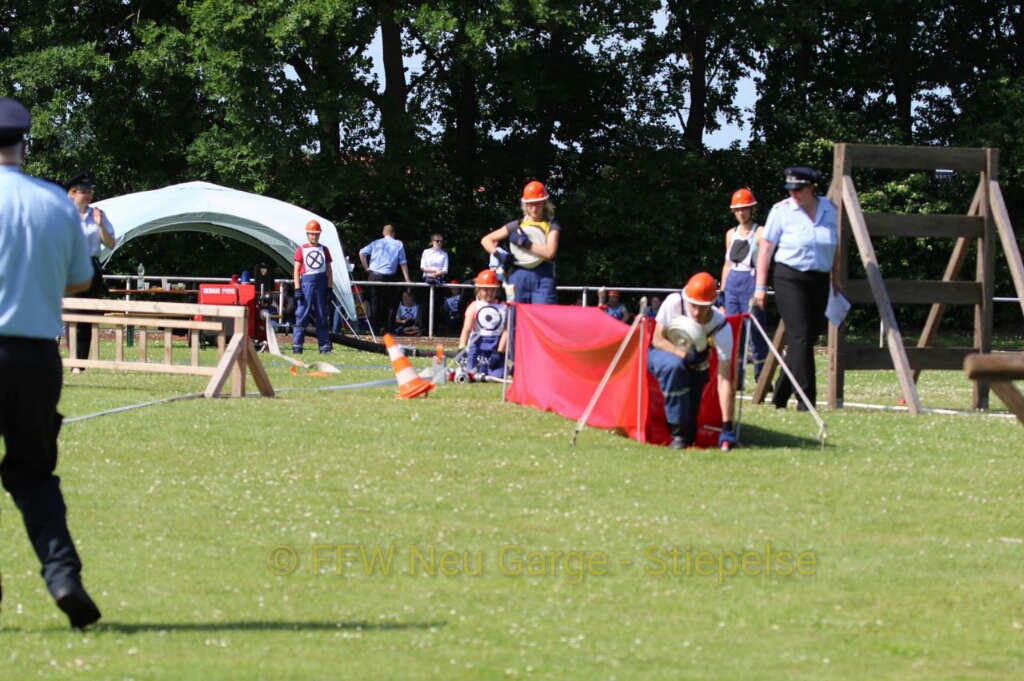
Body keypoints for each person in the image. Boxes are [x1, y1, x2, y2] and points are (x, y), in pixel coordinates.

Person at [0, 96, 102, 629]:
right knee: (35, 473)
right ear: (22, 143)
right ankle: (63, 576)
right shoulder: (55, 202)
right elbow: (80, 279)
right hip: (37, 355)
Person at [754, 166, 840, 410]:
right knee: (800, 335)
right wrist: (760, 286)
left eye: (798, 189)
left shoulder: (829, 209)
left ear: (812, 188)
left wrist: (835, 277)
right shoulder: (781, 211)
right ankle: (806, 401)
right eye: (790, 189)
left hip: (819, 279)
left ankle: (780, 395)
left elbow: (835, 245)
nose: (794, 193)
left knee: (807, 338)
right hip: (789, 278)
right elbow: (766, 249)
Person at [648, 272, 736, 450]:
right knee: (676, 366)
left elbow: (725, 378)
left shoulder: (720, 327)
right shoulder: (675, 303)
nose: (696, 312)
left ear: (713, 303)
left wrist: (728, 427)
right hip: (660, 353)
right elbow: (657, 339)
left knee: (695, 377)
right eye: (693, 305)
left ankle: (687, 434)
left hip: (696, 366)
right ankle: (677, 433)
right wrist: (682, 354)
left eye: (703, 307)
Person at [64, 170, 115, 374]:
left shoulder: (98, 214)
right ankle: (73, 360)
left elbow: (110, 243)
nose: (89, 194)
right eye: (84, 191)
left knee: (87, 314)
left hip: (92, 266)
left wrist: (101, 225)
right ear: (73, 193)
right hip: (69, 267)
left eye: (91, 191)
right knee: (71, 314)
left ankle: (80, 364)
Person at [481, 180, 560, 304]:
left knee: (542, 317)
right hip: (518, 275)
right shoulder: (517, 225)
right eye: (530, 204)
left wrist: (526, 244)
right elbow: (486, 240)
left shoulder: (552, 224)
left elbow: (550, 253)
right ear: (525, 205)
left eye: (538, 203)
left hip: (543, 277)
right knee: (516, 317)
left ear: (544, 203)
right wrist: (500, 256)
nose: (534, 208)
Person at [720, 188, 768, 385]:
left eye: (745, 209)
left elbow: (765, 261)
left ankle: (762, 379)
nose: (741, 213)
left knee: (756, 333)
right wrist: (722, 294)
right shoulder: (730, 234)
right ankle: (735, 380)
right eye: (738, 210)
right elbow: (727, 265)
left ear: (752, 209)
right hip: (732, 284)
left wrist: (761, 288)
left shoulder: (760, 232)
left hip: (751, 282)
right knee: (733, 333)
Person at [359, 224, 412, 333]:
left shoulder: (375, 243)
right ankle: (388, 330)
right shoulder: (398, 244)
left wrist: (367, 267)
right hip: (388, 276)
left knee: (375, 303)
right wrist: (407, 279)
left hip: (373, 275)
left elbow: (361, 253)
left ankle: (375, 330)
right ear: (393, 233)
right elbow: (403, 263)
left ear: (383, 233)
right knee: (393, 302)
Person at [292, 220, 333, 354]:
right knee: (302, 315)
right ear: (308, 234)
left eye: (316, 234)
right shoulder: (301, 249)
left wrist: (330, 288)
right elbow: (296, 270)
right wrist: (297, 288)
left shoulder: (324, 249)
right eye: (312, 234)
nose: (314, 237)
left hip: (321, 285)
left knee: (322, 316)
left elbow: (329, 270)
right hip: (306, 285)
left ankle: (325, 347)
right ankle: (297, 347)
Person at [458, 269, 509, 378]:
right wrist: (461, 348)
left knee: (497, 376)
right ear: (479, 290)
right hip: (477, 347)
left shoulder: (504, 307)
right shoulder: (474, 306)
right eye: (486, 290)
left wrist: (500, 352)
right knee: (473, 374)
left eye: (492, 290)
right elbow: (466, 329)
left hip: (495, 347)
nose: (489, 293)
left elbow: (506, 331)